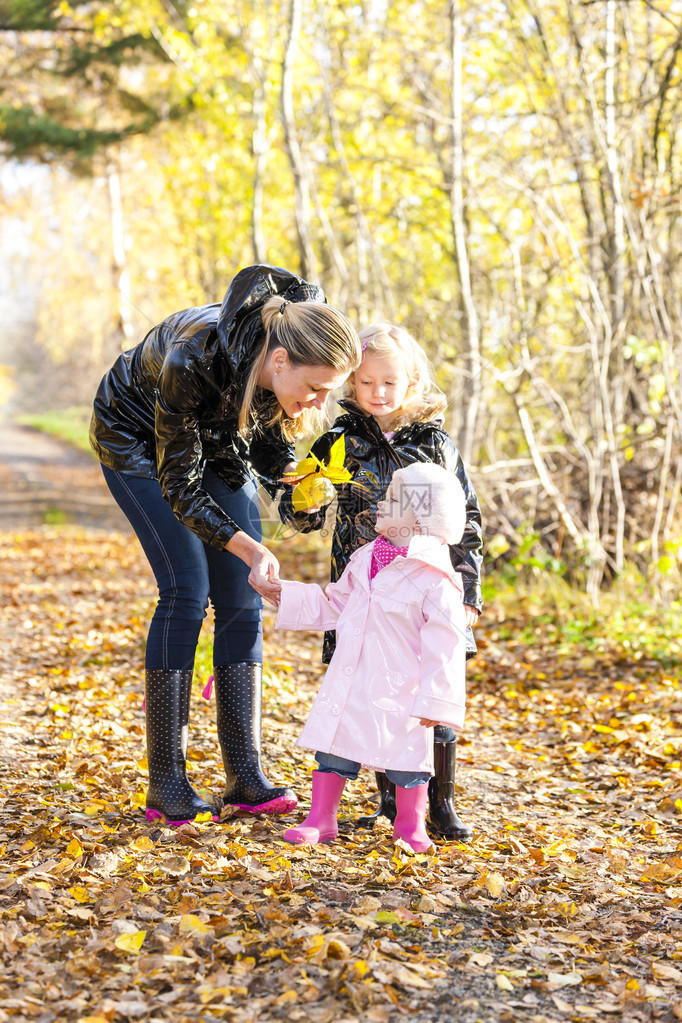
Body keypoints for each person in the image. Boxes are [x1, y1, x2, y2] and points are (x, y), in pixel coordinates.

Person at [89, 264, 361, 827]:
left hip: (210, 439)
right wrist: (249, 546)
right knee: (187, 589)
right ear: (280, 361)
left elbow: (259, 439)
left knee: (241, 595)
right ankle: (166, 783)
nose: (316, 406)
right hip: (137, 438)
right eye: (314, 390)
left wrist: (294, 478)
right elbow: (181, 487)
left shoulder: (278, 358)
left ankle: (246, 777)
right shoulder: (193, 355)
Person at [279, 322, 482, 841]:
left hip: (428, 588)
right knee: (364, 690)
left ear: (411, 382)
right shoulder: (336, 441)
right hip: (362, 582)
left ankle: (441, 800)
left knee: (429, 691)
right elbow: (300, 512)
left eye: (389, 382)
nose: (378, 393)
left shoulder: (435, 443)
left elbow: (467, 519)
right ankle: (388, 801)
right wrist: (307, 497)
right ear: (352, 383)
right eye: (366, 383)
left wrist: (470, 597)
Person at [273, 463, 468, 854]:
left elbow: (446, 644)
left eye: (393, 499)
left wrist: (436, 701)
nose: (380, 502)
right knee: (333, 749)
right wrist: (282, 594)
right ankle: (321, 818)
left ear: (422, 518)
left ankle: (410, 826)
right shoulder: (365, 557)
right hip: (353, 675)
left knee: (408, 761)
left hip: (401, 688)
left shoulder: (436, 578)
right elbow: (336, 604)